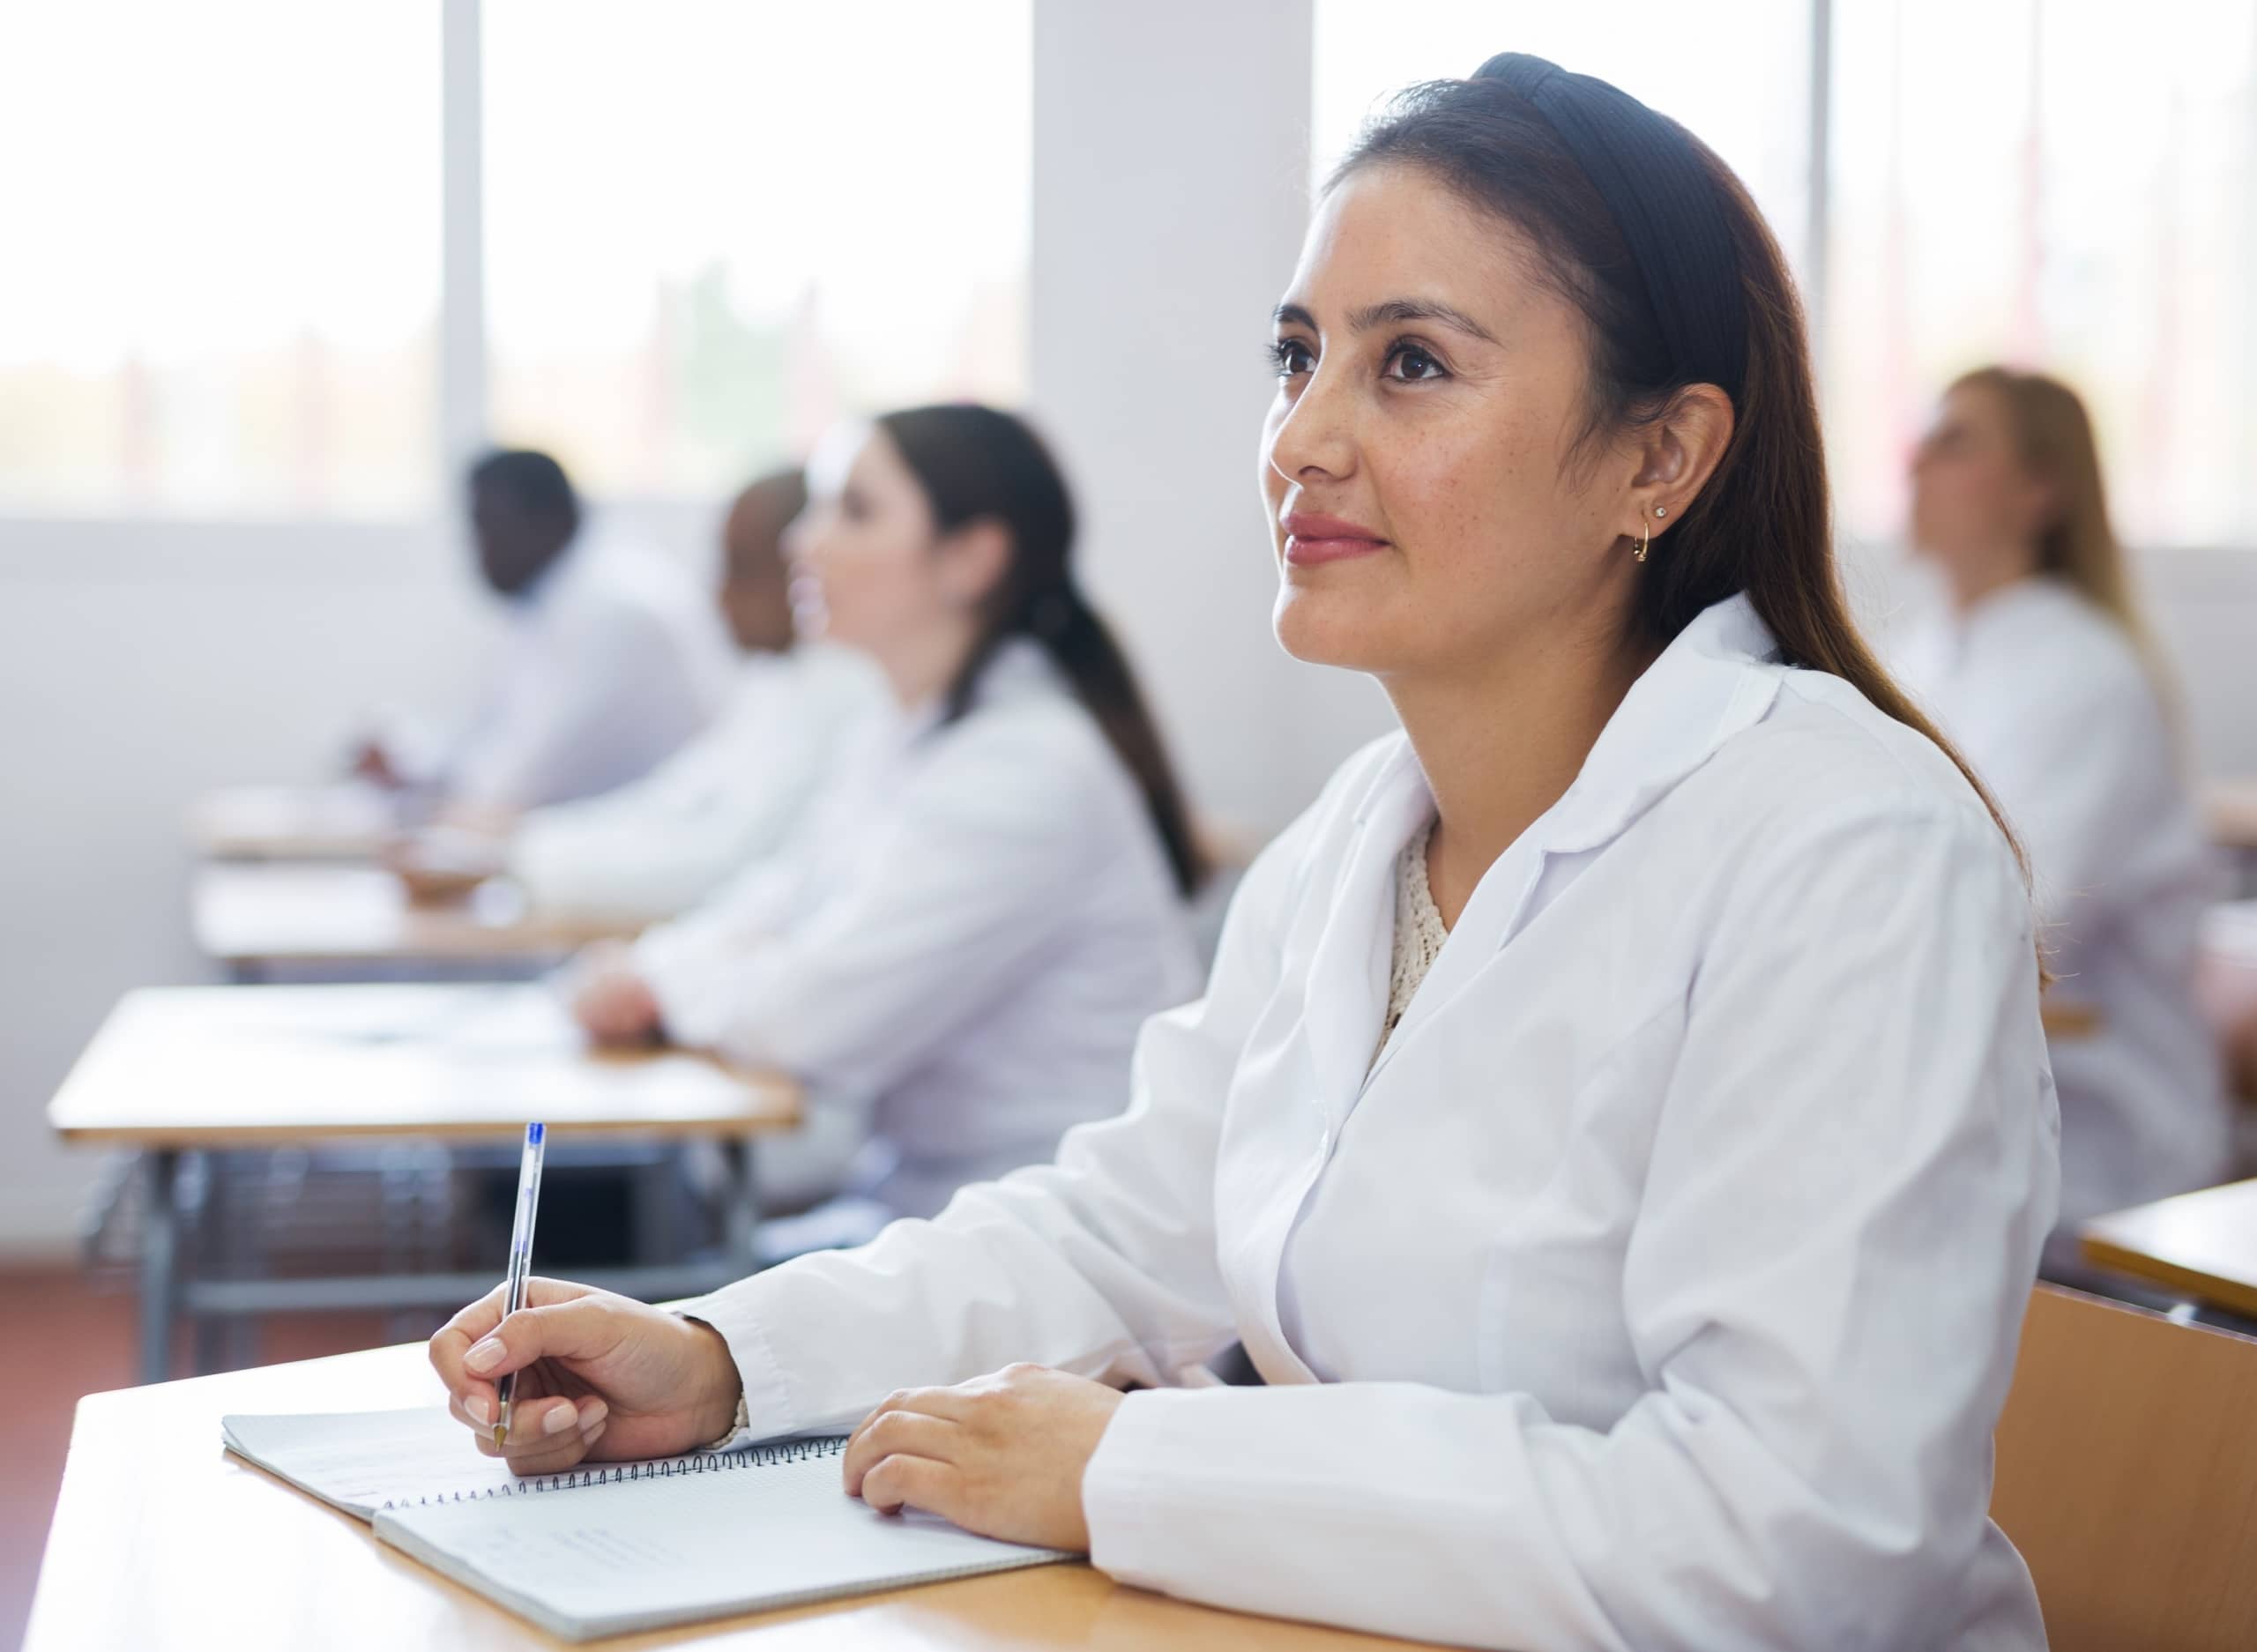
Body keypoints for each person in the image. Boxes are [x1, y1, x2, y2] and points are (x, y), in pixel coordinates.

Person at [432, 57, 2057, 1652]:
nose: (1302, 439)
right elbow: (1122, 1228)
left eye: (1411, 363)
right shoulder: (1362, 835)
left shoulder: (1850, 850)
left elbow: (1792, 1545)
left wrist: (1139, 1463)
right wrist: (722, 1357)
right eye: (1298, 357)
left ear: (1659, 458)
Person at [565, 404, 1207, 1224]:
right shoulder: (905, 727)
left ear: (971, 558)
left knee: (659, 1304)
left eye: (854, 511)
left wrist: (658, 985)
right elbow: (780, 898)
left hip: (1055, 1236)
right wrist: (653, 969)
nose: (804, 542)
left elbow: (814, 1020)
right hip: (934, 1207)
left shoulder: (1026, 769)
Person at [1894, 367, 2228, 1247]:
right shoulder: (1917, 657)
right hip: (1948, 1112)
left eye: (1955, 441)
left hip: (2090, 1138)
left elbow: (2017, 923)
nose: (1915, 464)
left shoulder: (2085, 675)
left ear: (2040, 489)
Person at [480, 468, 884, 925]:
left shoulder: (841, 689)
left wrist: (524, 856)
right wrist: (523, 844)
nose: (720, 597)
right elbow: (671, 800)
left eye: (743, 569)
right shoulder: (776, 678)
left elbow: (728, 867)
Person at [358, 449, 733, 814]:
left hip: (648, 844)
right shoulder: (560, 595)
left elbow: (515, 785)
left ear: (541, 521)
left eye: (488, 526)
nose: (476, 551)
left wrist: (423, 780)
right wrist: (416, 765)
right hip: (602, 836)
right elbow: (495, 733)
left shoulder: (612, 608)